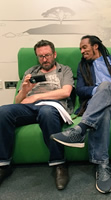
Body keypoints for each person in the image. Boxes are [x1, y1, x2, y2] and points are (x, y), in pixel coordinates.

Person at [50, 35, 111, 194]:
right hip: (101, 105)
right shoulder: (83, 67)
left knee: (106, 86)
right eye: (80, 49)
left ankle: (80, 129)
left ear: (95, 46)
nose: (82, 51)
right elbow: (80, 90)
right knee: (105, 105)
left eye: (84, 47)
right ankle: (102, 165)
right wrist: (100, 90)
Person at [0, 40, 74, 190]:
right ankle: (3, 164)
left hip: (53, 106)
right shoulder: (31, 72)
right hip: (30, 107)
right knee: (3, 111)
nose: (44, 59)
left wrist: (37, 97)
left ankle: (59, 163)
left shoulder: (64, 70)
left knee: (46, 111)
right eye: (40, 56)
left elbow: (66, 92)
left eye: (47, 55)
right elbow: (18, 101)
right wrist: (25, 90)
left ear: (54, 54)